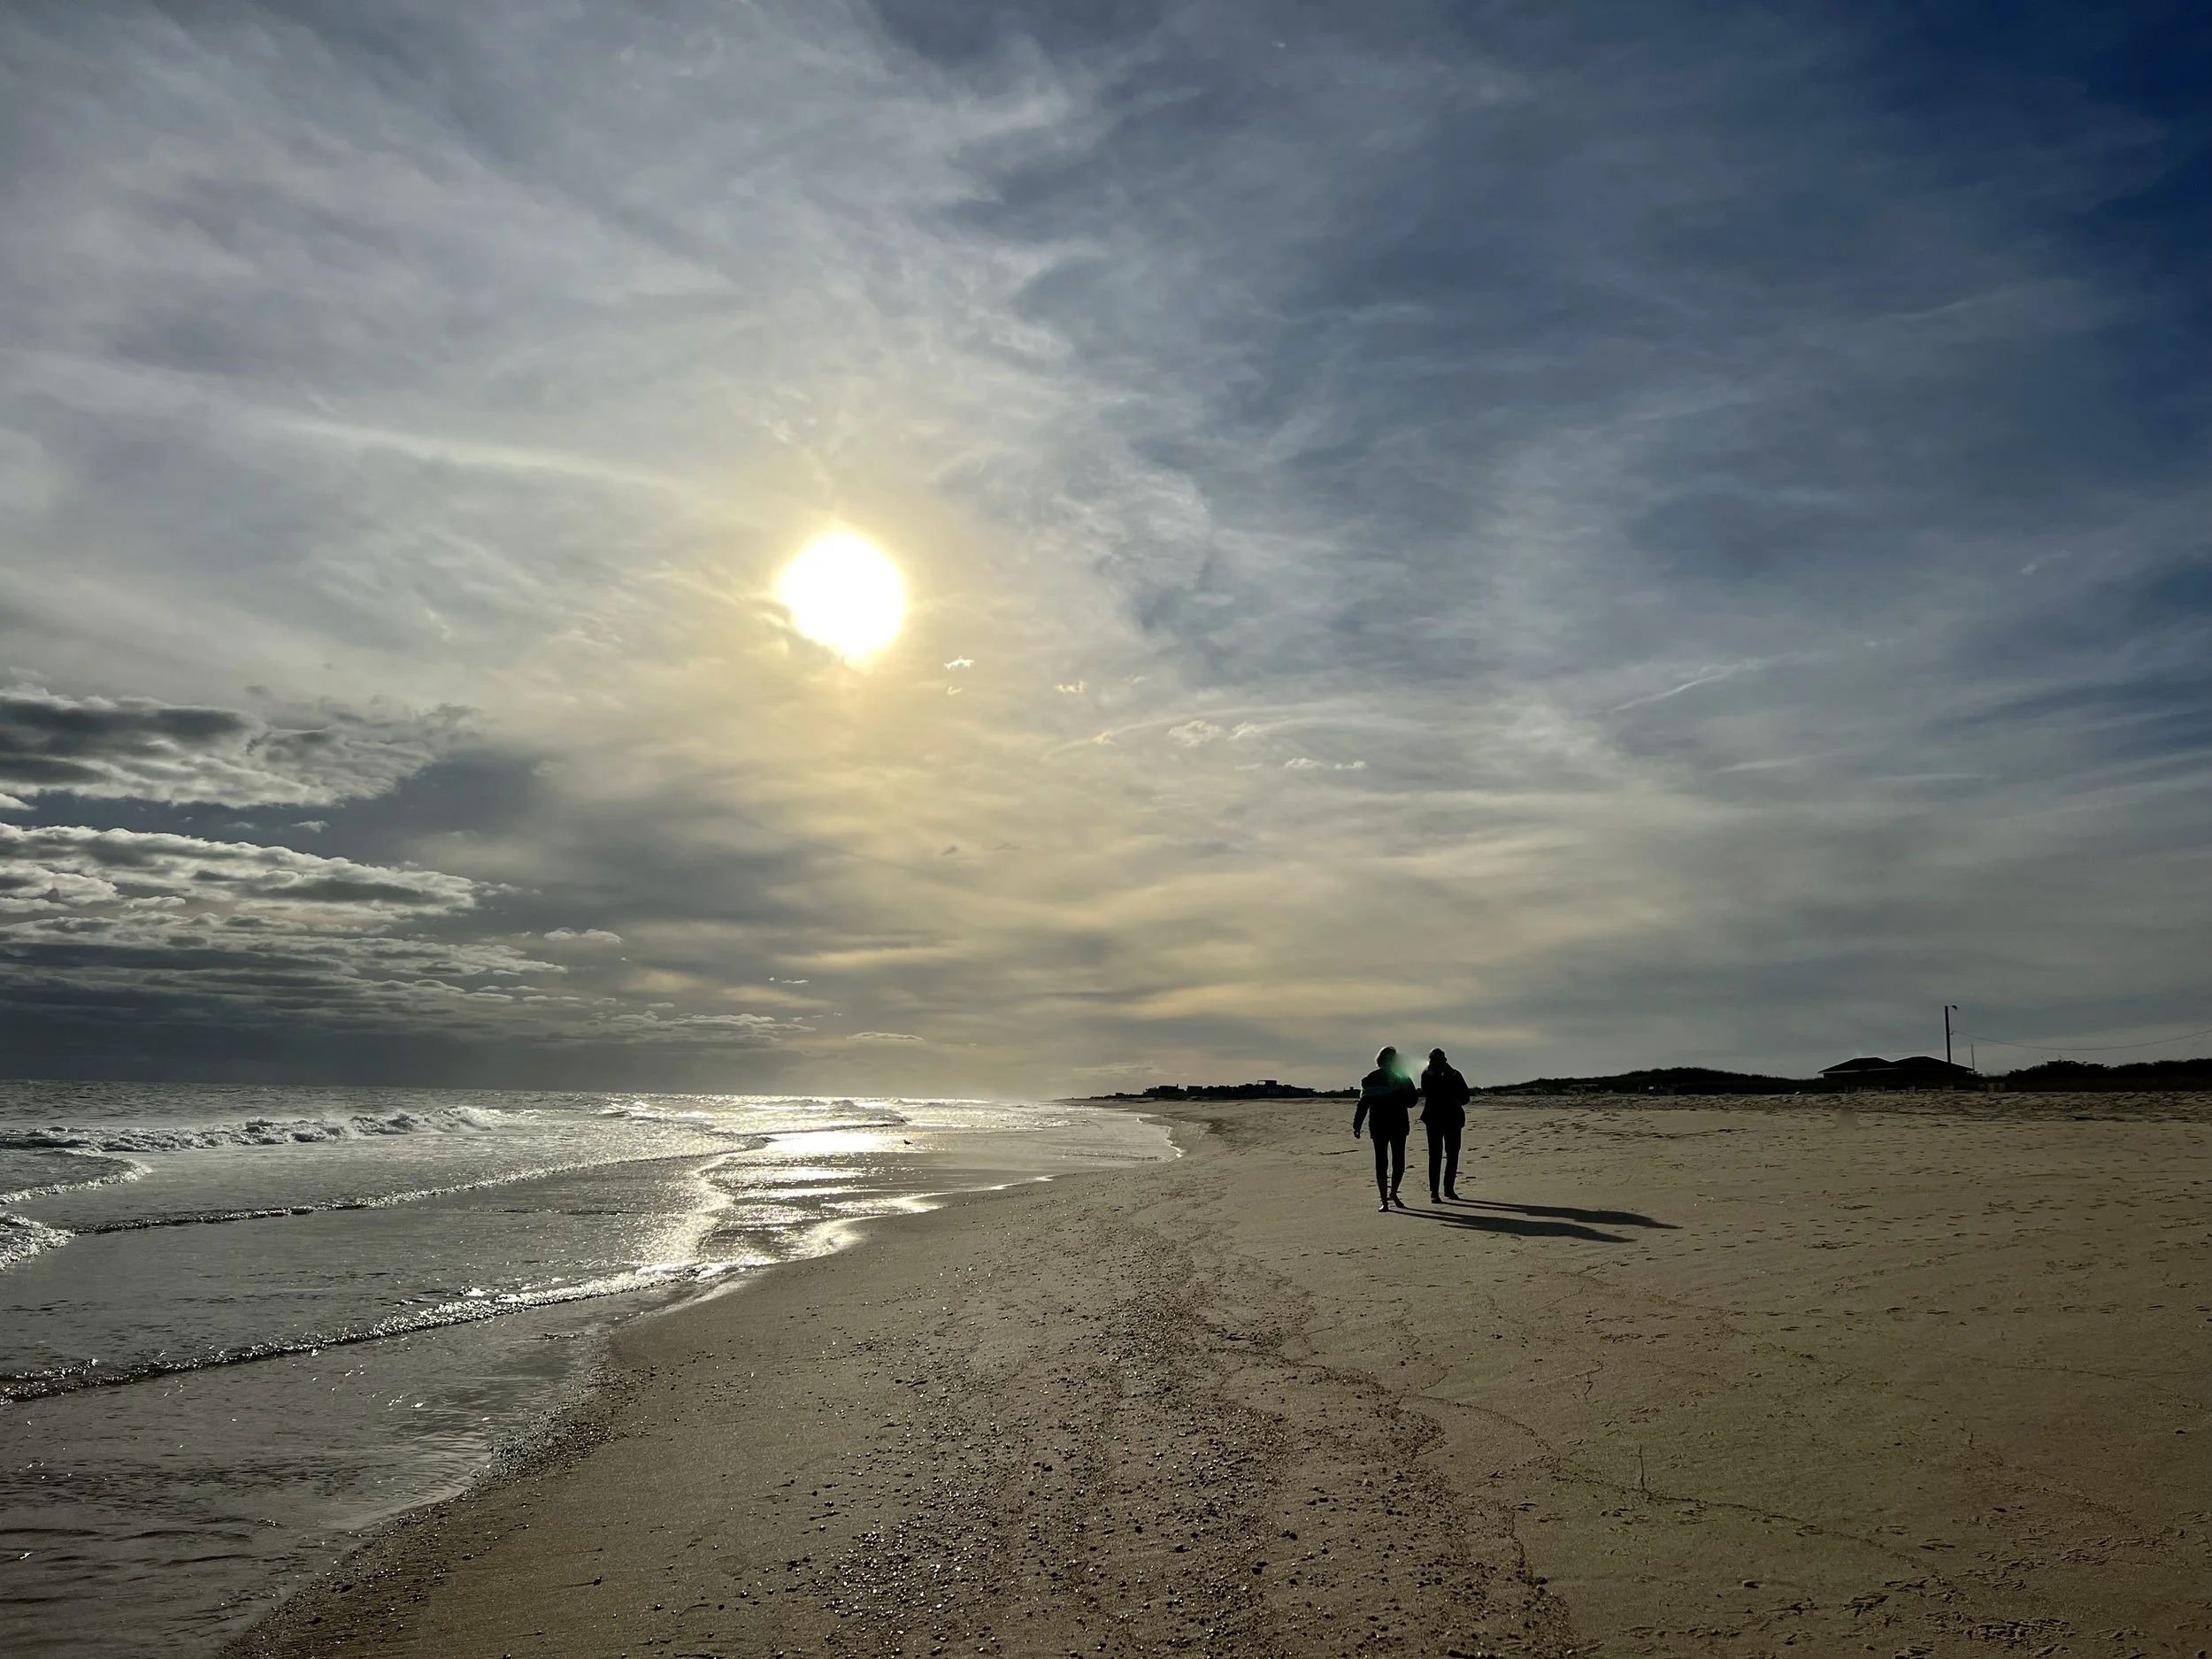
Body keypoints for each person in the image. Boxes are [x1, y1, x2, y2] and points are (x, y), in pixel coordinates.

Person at [1352, 1047, 1416, 1211]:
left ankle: (1385, 1201)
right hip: (1397, 1124)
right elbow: (1412, 1101)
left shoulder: (1370, 1079)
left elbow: (1363, 1105)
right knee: (1397, 1161)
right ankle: (1392, 1195)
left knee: (1382, 1161)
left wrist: (1357, 1125)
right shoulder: (1402, 1077)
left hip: (1380, 1125)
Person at [1418, 1048, 1471, 1202]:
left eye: (1440, 1061)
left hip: (1451, 1118)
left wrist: (1451, 1090)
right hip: (1436, 1118)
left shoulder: (1454, 1074)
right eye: (1435, 1061)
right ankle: (1435, 1192)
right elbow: (1430, 1092)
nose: (1438, 1064)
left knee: (1450, 1155)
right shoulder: (1427, 1075)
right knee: (1436, 1155)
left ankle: (1448, 1189)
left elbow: (1465, 1097)